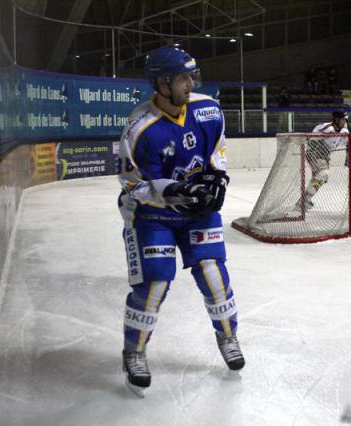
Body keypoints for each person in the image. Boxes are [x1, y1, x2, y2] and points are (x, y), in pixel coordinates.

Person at [117, 46, 244, 396]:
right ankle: (135, 351)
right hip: (153, 214)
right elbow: (131, 184)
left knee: (214, 274)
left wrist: (218, 177)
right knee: (154, 283)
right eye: (183, 77)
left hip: (197, 213)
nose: (191, 83)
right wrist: (171, 190)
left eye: (192, 76)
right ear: (161, 82)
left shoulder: (207, 109)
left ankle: (228, 338)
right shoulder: (139, 129)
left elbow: (218, 149)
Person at [298, 110, 350, 209]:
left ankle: (305, 199)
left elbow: (348, 144)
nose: (344, 122)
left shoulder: (344, 131)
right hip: (315, 152)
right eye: (343, 120)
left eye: (345, 120)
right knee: (322, 175)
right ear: (336, 120)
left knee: (322, 177)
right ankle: (304, 200)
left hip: (324, 155)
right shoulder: (327, 128)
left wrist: (348, 158)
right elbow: (311, 139)